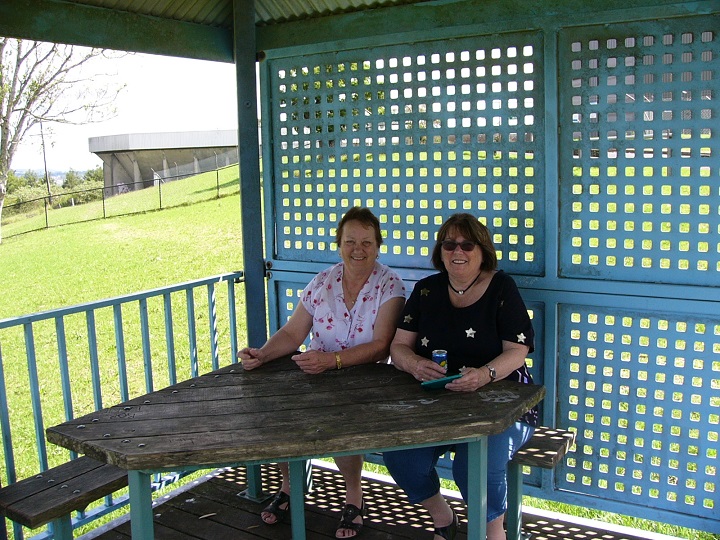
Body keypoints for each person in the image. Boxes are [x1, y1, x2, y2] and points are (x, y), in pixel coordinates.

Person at [238, 206, 406, 538]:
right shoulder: (323, 281)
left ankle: (354, 496)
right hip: (317, 373)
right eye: (350, 241)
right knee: (282, 412)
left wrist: (333, 362)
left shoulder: (391, 285)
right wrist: (261, 354)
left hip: (366, 379)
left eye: (367, 243)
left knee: (343, 422)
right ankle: (288, 487)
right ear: (339, 244)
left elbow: (382, 345)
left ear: (378, 245)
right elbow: (292, 333)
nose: (358, 250)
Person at [383, 213, 537, 540]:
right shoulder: (427, 290)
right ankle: (443, 518)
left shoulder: (501, 287)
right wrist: (412, 364)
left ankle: (491, 532)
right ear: (440, 251)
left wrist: (484, 374)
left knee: (473, 467)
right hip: (437, 401)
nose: (458, 251)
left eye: (468, 244)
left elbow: (518, 351)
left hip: (502, 402)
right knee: (400, 456)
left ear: (483, 251)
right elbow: (398, 346)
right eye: (449, 243)